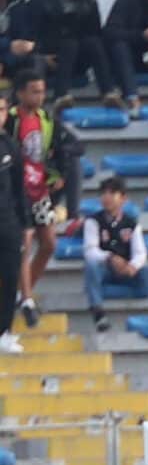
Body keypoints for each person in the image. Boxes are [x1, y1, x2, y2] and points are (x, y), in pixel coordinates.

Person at [6, 67, 77, 332]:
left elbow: (60, 147)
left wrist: (57, 173)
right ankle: (26, 300)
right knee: (23, 244)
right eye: (34, 91)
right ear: (21, 93)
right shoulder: (11, 120)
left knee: (48, 243)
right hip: (16, 192)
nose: (40, 96)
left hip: (38, 190)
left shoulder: (45, 118)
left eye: (42, 91)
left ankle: (20, 292)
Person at [81, 174, 148, 331]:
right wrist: (110, 257)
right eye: (103, 193)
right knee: (91, 265)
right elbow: (90, 250)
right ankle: (98, 311)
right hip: (105, 269)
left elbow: (140, 252)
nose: (106, 197)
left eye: (111, 193)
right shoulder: (93, 221)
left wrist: (132, 266)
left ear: (123, 198)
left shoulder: (132, 223)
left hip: (126, 270)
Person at [26, 0, 116, 106]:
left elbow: (95, 34)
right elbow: (30, 35)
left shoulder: (89, 0)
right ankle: (61, 96)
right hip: (49, 57)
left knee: (92, 43)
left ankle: (108, 94)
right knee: (69, 43)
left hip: (75, 58)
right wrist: (43, 56)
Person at [0, 94, 24, 356]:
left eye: (2, 110)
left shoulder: (9, 145)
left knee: (9, 277)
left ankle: (3, 331)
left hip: (7, 223)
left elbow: (19, 189)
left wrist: (25, 224)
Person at [0, 0, 36, 68]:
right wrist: (8, 44)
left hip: (12, 61)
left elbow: (23, 42)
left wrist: (5, 62)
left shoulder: (22, 7)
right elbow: (13, 45)